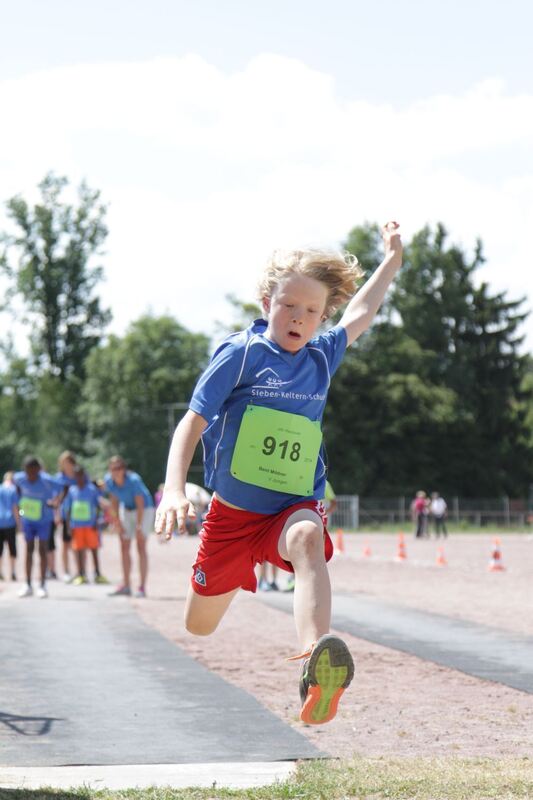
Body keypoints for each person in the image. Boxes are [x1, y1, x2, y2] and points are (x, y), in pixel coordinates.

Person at [156, 222, 402, 725]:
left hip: (290, 509)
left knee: (310, 537)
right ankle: (231, 584)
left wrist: (392, 260)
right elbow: (192, 420)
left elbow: (362, 312)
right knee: (199, 625)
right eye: (289, 305)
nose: (299, 318)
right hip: (232, 516)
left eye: (312, 311)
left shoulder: (320, 356)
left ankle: (317, 662)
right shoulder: (241, 354)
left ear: (322, 316)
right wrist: (174, 489)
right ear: (267, 299)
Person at [104, 456, 155, 598]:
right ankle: (126, 585)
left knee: (141, 546)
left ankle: (142, 587)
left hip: (144, 510)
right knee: (124, 545)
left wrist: (139, 527)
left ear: (124, 469)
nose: (116, 471)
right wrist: (117, 522)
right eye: (113, 468)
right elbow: (113, 501)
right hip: (126, 509)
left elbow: (140, 503)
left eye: (119, 468)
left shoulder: (134, 480)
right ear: (110, 470)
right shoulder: (109, 480)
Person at [14, 457, 63, 598]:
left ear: (38, 471)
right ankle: (27, 584)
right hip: (28, 520)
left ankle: (42, 585)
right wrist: (21, 510)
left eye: (34, 473)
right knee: (28, 550)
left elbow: (64, 487)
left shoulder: (47, 480)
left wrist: (56, 502)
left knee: (42, 550)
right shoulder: (19, 479)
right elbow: (17, 493)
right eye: (28, 473)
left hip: (44, 520)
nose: (31, 476)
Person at [64, 466, 108, 585]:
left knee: (94, 549)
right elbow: (68, 509)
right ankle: (81, 574)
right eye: (77, 475)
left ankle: (97, 573)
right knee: (78, 550)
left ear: (84, 475)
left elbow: (98, 506)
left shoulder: (92, 489)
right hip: (76, 525)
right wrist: (68, 526)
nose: (79, 477)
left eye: (81, 475)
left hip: (90, 525)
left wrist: (96, 521)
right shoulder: (72, 490)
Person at [52, 451, 78, 582]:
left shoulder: (79, 476)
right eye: (64, 463)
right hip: (65, 513)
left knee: (78, 544)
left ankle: (79, 571)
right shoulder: (58, 478)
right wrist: (56, 514)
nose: (66, 465)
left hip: (79, 514)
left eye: (68, 462)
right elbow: (55, 498)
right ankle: (66, 571)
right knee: (65, 543)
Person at [0, 472, 21, 581]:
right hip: (10, 522)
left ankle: (0, 572)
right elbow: (15, 508)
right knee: (12, 548)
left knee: (0, 550)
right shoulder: (13, 490)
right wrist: (19, 524)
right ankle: (12, 571)